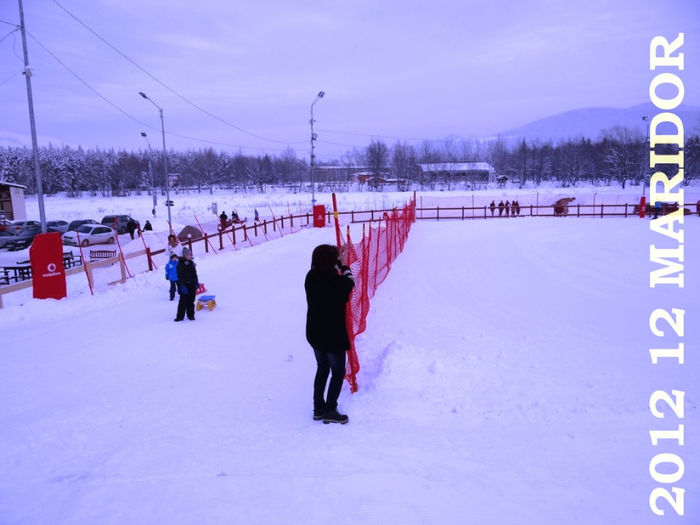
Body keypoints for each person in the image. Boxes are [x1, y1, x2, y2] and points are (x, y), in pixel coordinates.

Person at [305, 244, 355, 424]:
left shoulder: (310, 277)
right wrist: (343, 264)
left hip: (314, 333)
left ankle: (318, 408)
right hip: (333, 336)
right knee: (338, 371)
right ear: (332, 262)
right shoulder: (338, 283)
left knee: (322, 368)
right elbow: (351, 280)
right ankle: (330, 409)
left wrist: (336, 262)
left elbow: (328, 271)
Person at [175, 247, 199, 322]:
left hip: (192, 285)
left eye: (190, 254)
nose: (189, 256)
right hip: (184, 285)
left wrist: (196, 282)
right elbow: (180, 276)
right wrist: (182, 285)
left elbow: (194, 274)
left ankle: (191, 315)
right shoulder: (180, 264)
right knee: (183, 301)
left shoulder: (192, 263)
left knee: (191, 301)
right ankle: (180, 317)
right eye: (188, 255)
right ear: (184, 255)